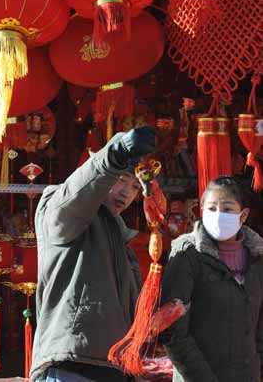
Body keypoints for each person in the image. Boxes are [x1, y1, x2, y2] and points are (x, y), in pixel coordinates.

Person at [30, 126, 157, 382]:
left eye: (134, 186)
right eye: (121, 179)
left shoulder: (123, 241)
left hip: (115, 367)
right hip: (72, 364)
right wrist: (114, 156)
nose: (126, 192)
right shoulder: (59, 205)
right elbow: (76, 196)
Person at [158, 176, 263, 382]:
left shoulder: (257, 259)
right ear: (201, 212)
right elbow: (172, 331)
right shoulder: (186, 255)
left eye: (227, 209)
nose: (218, 215)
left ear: (243, 216)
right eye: (212, 208)